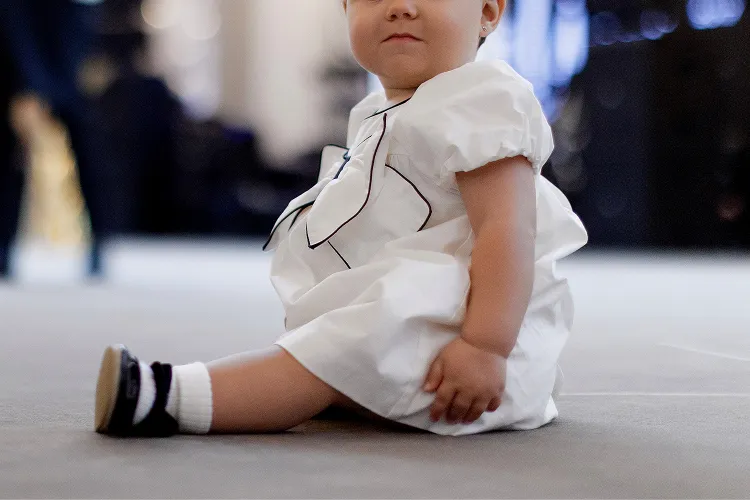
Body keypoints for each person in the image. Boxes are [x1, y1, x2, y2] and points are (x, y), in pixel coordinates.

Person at [94, 0, 588, 438]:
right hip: (414, 318)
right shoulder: (379, 113)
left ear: (488, 11)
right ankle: (331, 381)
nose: (399, 6)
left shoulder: (482, 98)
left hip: (463, 346)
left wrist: (485, 348)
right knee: (328, 354)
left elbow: (507, 229)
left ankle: (165, 398)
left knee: (322, 360)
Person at [0, 0, 128, 278]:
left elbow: (81, 22)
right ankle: (3, 245)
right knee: (12, 158)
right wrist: (28, 86)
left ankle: (100, 240)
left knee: (90, 155)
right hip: (22, 66)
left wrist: (62, 84)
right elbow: (14, 23)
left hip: (67, 70)